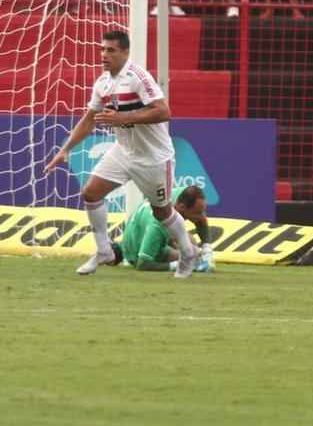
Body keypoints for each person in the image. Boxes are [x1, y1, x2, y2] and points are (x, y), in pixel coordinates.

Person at [44, 29, 199, 278]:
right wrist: (65, 150)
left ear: (125, 52)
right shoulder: (103, 83)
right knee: (90, 192)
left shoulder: (138, 77)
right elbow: (89, 119)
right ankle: (104, 250)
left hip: (153, 157)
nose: (104, 55)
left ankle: (188, 252)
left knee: (161, 211)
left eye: (111, 50)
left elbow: (164, 111)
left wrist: (123, 117)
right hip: (124, 151)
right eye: (103, 49)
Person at [113, 186, 213, 272]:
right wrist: (175, 266)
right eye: (198, 213)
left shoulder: (182, 196)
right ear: (182, 207)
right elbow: (142, 263)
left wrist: (207, 248)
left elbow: (201, 221)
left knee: (192, 250)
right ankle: (113, 251)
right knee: (191, 255)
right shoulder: (158, 224)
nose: (202, 216)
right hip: (135, 250)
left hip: (144, 230)